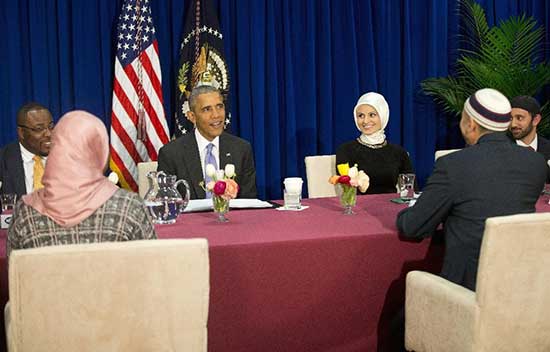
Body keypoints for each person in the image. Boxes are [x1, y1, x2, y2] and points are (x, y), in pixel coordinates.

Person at [396, 88, 546, 291]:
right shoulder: (536, 163)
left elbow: (413, 226)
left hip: (466, 293)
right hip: (520, 288)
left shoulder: (453, 165)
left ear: (471, 124)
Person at [7, 111, 156, 257]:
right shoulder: (129, 207)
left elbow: (14, 274)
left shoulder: (25, 212)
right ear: (101, 150)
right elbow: (151, 266)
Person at [158, 85, 257, 199]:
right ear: (192, 117)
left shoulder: (241, 149)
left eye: (219, 107)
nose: (216, 115)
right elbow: (167, 203)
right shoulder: (171, 154)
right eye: (207, 109)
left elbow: (249, 201)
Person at [336, 92, 414, 194]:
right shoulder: (346, 150)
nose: (365, 121)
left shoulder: (399, 152)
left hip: (392, 207)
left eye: (372, 115)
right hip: (358, 207)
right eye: (361, 115)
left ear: (383, 116)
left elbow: (411, 189)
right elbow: (347, 188)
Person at [0, 102, 53, 197]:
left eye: (51, 126)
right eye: (39, 129)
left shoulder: (67, 158)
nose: (49, 134)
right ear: (21, 132)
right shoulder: (3, 161)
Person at [508, 95, 550, 180]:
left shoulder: (548, 149)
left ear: (535, 120)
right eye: (510, 118)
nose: (513, 124)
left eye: (519, 118)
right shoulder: (500, 149)